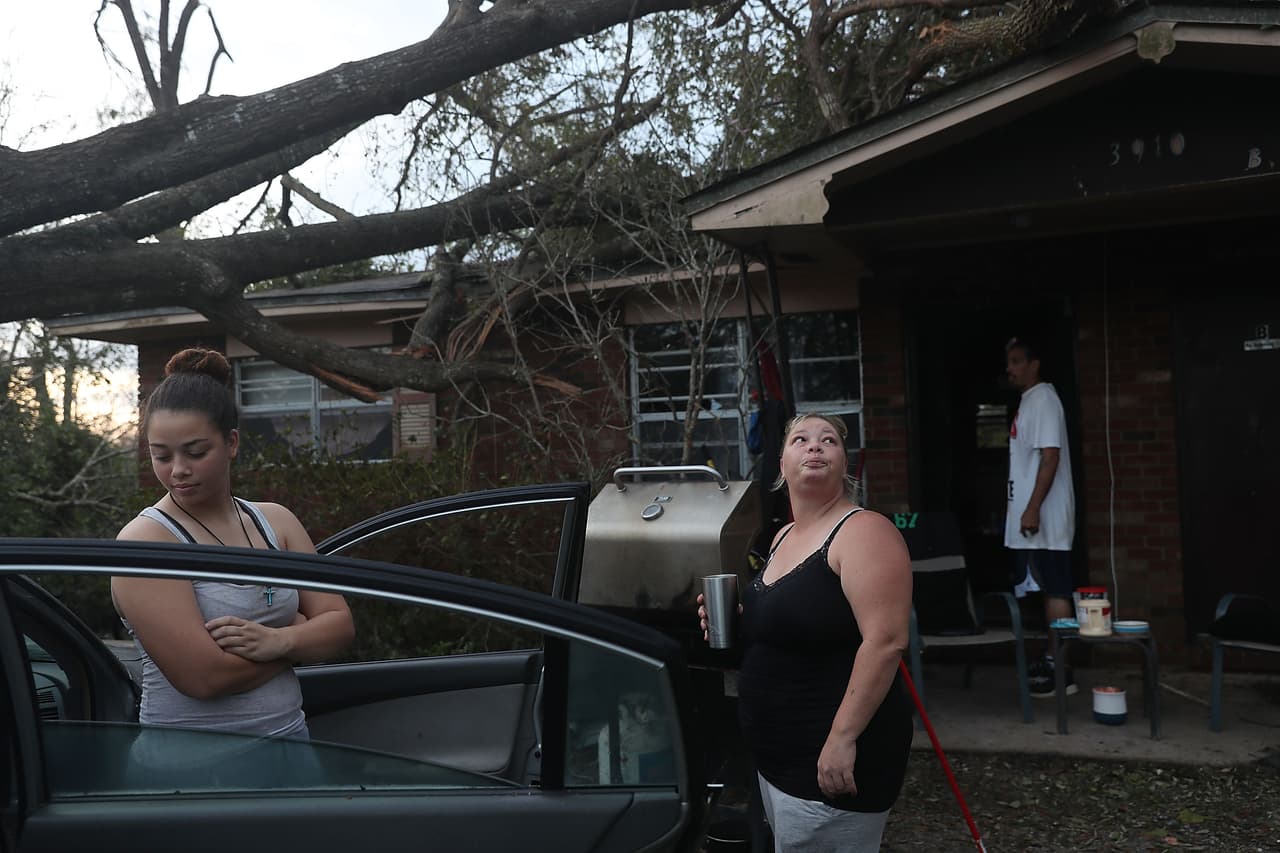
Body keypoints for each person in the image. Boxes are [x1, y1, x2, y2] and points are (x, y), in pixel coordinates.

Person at [113, 347, 355, 741]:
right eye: (160, 455)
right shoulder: (147, 540)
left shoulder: (276, 521)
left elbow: (341, 626)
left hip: (292, 744)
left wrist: (280, 638)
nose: (177, 470)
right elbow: (205, 678)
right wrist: (299, 636)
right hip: (193, 771)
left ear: (232, 443)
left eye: (196, 451)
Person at [699, 413, 913, 852]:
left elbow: (886, 641)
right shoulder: (780, 538)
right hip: (776, 763)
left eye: (828, 440)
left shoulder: (864, 532)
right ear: (781, 464)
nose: (814, 447)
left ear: (843, 462)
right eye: (800, 439)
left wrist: (842, 738)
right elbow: (794, 628)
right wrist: (736, 621)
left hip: (830, 765)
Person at [1004, 336, 1076, 698]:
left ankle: (1061, 667)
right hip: (1030, 519)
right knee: (1044, 588)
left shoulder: (1044, 399)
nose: (1010, 368)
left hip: (1046, 518)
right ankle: (1052, 659)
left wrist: (1032, 507)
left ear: (1035, 364)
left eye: (1017, 361)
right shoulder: (1028, 402)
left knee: (1056, 588)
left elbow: (1051, 456)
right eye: (1009, 362)